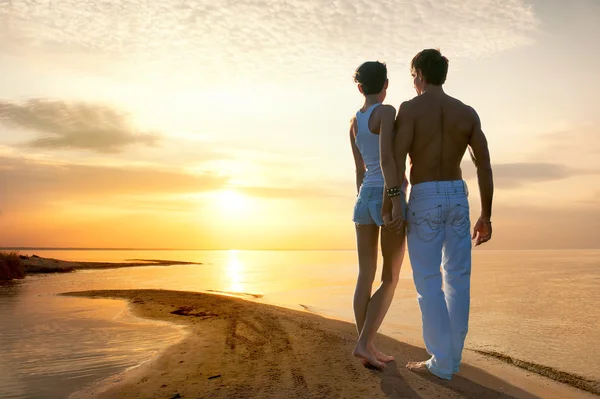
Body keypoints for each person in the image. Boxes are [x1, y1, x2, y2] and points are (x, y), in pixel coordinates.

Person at [381, 49, 494, 380]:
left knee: (428, 280)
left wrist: (394, 200)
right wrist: (486, 214)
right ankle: (450, 359)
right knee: (458, 280)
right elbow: (483, 164)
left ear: (419, 74)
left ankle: (442, 361)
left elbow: (398, 159)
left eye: (412, 76)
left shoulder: (411, 109)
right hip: (458, 197)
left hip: (427, 195)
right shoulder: (467, 112)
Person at [349, 61, 408, 369]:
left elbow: (360, 170)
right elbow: (387, 158)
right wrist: (395, 199)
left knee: (365, 276)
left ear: (360, 87)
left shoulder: (354, 122)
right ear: (386, 84)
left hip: (363, 199)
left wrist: (366, 198)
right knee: (391, 276)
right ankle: (364, 344)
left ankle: (367, 346)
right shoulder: (386, 112)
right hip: (387, 193)